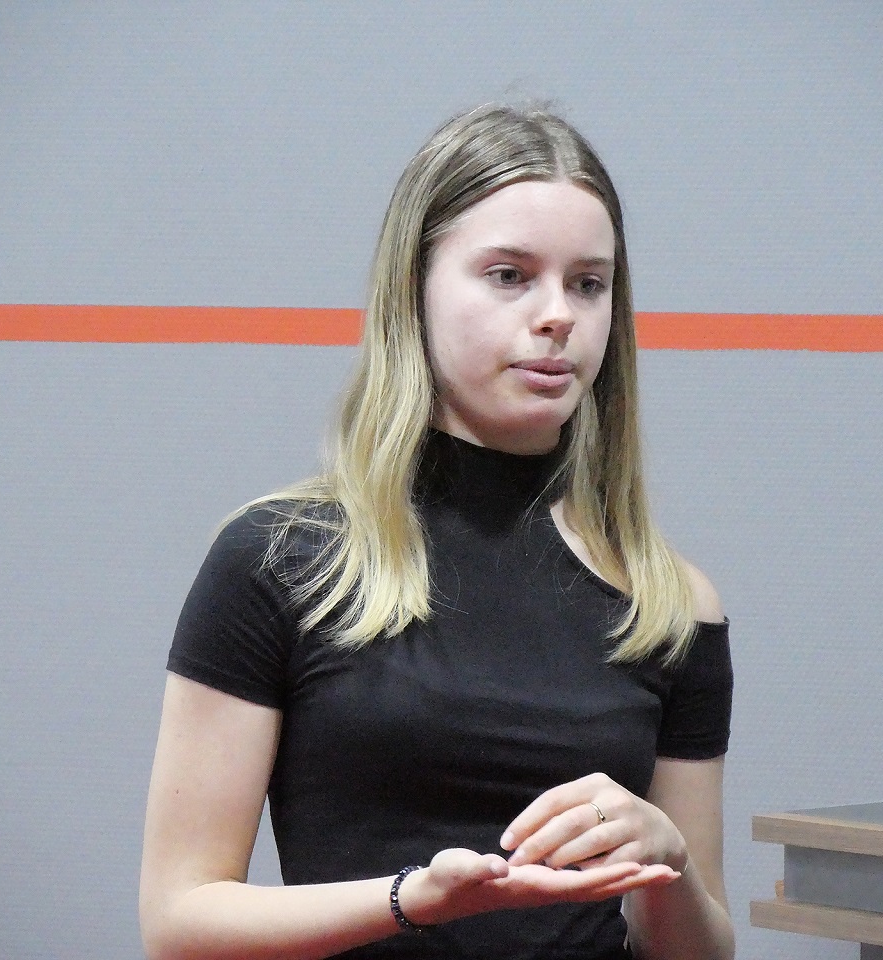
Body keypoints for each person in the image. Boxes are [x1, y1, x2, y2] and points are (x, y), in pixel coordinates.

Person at [139, 103, 736, 960]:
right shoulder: (280, 562)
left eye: (588, 284)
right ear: (414, 288)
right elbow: (179, 921)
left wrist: (667, 865)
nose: (558, 315)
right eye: (509, 275)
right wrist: (408, 901)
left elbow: (700, 953)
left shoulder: (669, 605)